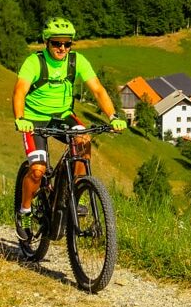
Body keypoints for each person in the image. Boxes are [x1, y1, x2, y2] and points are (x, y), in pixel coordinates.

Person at [10, 17, 124, 216]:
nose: (62, 48)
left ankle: (73, 196)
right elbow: (19, 91)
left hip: (63, 116)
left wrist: (113, 116)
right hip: (33, 119)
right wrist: (21, 119)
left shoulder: (77, 61)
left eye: (67, 43)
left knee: (83, 141)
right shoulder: (35, 62)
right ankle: (25, 211)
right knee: (37, 170)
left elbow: (97, 90)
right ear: (47, 42)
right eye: (57, 43)